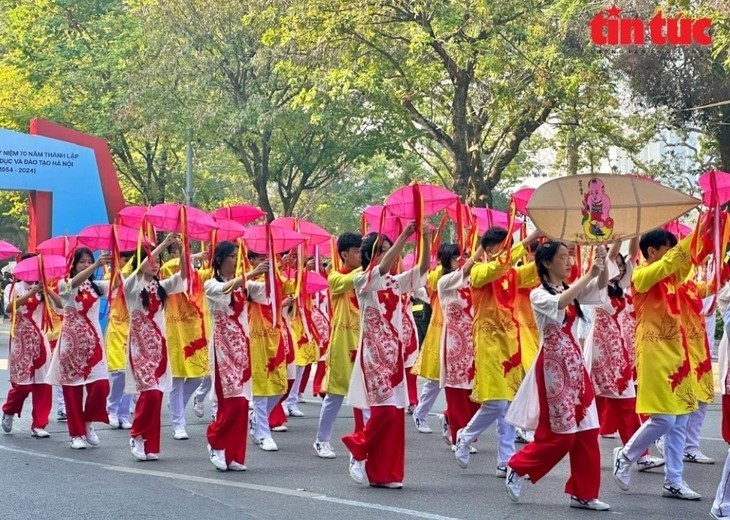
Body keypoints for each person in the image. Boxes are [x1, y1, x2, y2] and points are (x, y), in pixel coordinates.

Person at [504, 241, 610, 511]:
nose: (569, 261)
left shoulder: (570, 290)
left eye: (569, 256)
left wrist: (602, 260)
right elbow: (560, 303)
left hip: (575, 366)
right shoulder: (538, 294)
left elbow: (600, 286)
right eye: (563, 257)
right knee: (563, 436)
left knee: (588, 431)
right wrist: (589, 272)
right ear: (547, 264)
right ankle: (517, 467)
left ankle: (583, 493)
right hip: (553, 369)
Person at [612, 226, 711, 500]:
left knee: (679, 419)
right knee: (665, 418)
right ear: (652, 251)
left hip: (677, 352)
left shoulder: (673, 279)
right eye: (667, 248)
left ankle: (674, 481)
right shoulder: (641, 276)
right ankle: (626, 454)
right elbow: (674, 260)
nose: (671, 254)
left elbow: (687, 258)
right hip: (654, 353)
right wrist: (701, 223)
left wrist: (714, 222)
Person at [343, 221, 429, 489]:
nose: (387, 255)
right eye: (381, 250)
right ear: (370, 255)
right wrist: (405, 234)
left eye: (389, 250)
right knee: (384, 414)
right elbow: (379, 269)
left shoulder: (395, 283)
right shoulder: (362, 280)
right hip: (373, 358)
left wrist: (425, 238)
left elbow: (423, 268)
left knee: (395, 417)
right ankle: (357, 449)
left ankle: (385, 474)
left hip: (394, 358)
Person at [453, 227, 539, 474]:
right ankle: (466, 436)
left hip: (511, 345)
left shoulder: (513, 275)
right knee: (498, 404)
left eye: (508, 246)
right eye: (502, 246)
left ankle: (505, 458)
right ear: (489, 250)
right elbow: (496, 267)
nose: (506, 252)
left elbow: (537, 270)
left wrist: (558, 245)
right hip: (488, 343)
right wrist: (528, 239)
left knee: (509, 405)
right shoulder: (479, 272)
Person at [584, 239, 663, 470]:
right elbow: (612, 256)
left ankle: (629, 452)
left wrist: (635, 229)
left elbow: (631, 252)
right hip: (603, 353)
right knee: (625, 403)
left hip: (620, 350)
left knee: (611, 404)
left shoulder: (623, 288)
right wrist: (616, 235)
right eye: (614, 263)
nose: (619, 266)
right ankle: (638, 454)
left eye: (621, 264)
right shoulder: (599, 289)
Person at [204, 241, 268, 471]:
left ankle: (233, 454)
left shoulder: (246, 286)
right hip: (222, 350)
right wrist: (252, 272)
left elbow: (269, 293)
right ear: (220, 260)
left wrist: (274, 271)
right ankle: (216, 441)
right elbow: (224, 289)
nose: (236, 260)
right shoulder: (210, 284)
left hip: (241, 348)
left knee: (242, 404)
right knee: (230, 402)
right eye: (232, 256)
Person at [125, 234, 186, 461]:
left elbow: (185, 275)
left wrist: (182, 249)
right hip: (138, 347)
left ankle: (150, 443)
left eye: (158, 261)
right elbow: (140, 269)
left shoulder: (162, 287)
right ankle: (136, 434)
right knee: (149, 394)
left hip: (158, 347)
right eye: (151, 260)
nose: (156, 263)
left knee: (157, 395)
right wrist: (161, 245)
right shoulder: (131, 284)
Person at [48, 248, 113, 449]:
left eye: (88, 262)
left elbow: (120, 284)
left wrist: (117, 262)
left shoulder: (97, 287)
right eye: (82, 262)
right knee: (72, 390)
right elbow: (71, 285)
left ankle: (87, 422)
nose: (85, 265)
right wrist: (96, 265)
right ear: (74, 264)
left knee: (101, 386)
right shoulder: (64, 284)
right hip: (70, 344)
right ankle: (76, 434)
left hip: (93, 345)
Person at [313, 232, 362, 459]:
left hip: (362, 342)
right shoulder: (334, 277)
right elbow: (352, 279)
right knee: (335, 395)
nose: (361, 256)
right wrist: (375, 264)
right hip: (342, 343)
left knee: (367, 395)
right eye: (357, 252)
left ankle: (366, 441)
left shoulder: (364, 279)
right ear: (344, 254)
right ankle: (322, 440)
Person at [1, 256, 61, 438]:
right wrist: (30, 292)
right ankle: (9, 410)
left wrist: (47, 291)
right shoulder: (13, 288)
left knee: (43, 384)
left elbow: (60, 305)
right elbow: (9, 308)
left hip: (40, 341)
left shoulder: (43, 289)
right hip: (20, 341)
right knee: (23, 386)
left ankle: (39, 424)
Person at [162, 247, 211, 440]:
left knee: (198, 377)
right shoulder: (168, 272)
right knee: (177, 380)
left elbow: (222, 273)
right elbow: (177, 267)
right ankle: (178, 424)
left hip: (197, 333)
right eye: (183, 252)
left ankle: (177, 405)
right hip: (175, 332)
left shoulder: (200, 276)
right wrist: (193, 256)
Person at [437, 244, 480, 447]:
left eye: (463, 256)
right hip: (454, 342)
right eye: (456, 257)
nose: (461, 260)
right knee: (457, 391)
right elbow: (463, 271)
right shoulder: (445, 282)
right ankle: (458, 435)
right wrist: (482, 247)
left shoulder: (473, 281)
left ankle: (462, 428)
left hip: (475, 339)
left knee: (475, 392)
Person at [247, 250, 286, 452]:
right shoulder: (247, 282)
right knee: (261, 388)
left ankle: (256, 421)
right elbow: (263, 291)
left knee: (280, 386)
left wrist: (285, 265)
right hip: (255, 339)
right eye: (261, 258)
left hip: (275, 336)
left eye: (267, 257)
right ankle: (263, 433)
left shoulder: (277, 278)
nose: (265, 261)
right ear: (251, 260)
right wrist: (257, 273)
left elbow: (288, 287)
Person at [105, 250, 135, 430]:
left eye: (132, 260)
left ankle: (124, 413)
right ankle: (112, 408)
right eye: (126, 259)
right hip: (117, 328)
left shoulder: (138, 279)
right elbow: (116, 283)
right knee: (119, 373)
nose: (129, 263)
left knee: (131, 373)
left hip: (134, 329)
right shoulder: (112, 276)